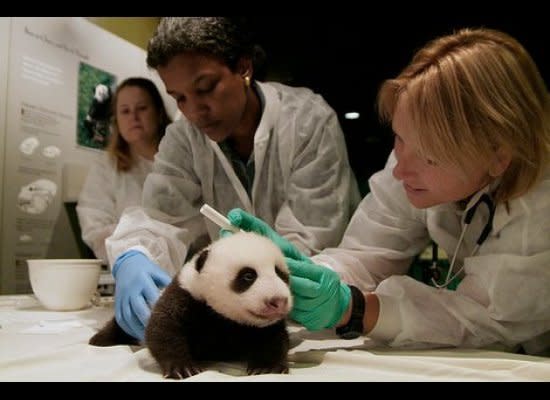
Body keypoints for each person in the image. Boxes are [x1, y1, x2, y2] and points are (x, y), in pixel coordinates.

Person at [227, 28, 550, 355]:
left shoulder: (542, 206)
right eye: (400, 139)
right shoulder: (413, 163)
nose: (399, 170)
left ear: (498, 155)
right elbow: (366, 255)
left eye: (429, 155)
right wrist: (299, 275)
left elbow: (488, 319)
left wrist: (355, 309)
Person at [105, 17, 361, 341]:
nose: (194, 111)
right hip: (238, 311)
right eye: (179, 97)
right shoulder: (184, 138)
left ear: (243, 67)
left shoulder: (308, 121)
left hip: (318, 319)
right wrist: (134, 256)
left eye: (205, 88)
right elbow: (160, 217)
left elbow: (308, 242)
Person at [76, 77, 172, 264]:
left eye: (142, 108)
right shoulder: (106, 166)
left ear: (159, 112)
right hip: (130, 264)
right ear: (116, 120)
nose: (133, 117)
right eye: (125, 111)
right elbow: (95, 229)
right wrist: (135, 255)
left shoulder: (182, 161)